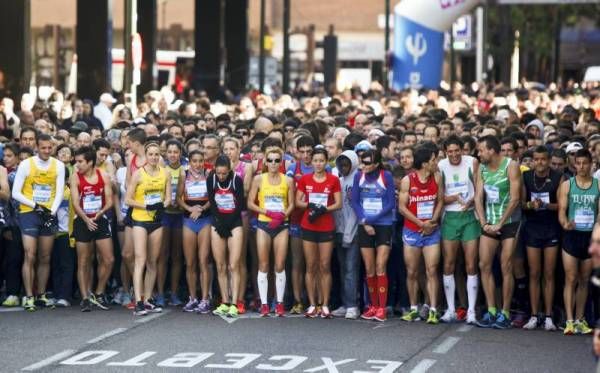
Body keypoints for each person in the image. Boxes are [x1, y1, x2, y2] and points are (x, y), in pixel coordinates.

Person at [12, 133, 65, 311]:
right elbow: (15, 193)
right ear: (37, 147)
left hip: (48, 213)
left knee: (45, 256)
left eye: (50, 148)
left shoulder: (58, 165)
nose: (47, 151)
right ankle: (28, 296)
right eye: (43, 148)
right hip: (29, 212)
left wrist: (52, 211)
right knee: (30, 254)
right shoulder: (26, 164)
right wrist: (36, 206)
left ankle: (41, 294)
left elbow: (59, 192)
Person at [474, 135, 522, 329]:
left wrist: (500, 223)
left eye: (481, 150)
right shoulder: (482, 169)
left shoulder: (511, 166)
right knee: (484, 264)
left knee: (506, 265)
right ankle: (492, 310)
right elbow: (478, 198)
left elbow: (515, 198)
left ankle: (506, 313)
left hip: (509, 222)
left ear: (492, 150)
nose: (478, 154)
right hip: (490, 223)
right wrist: (485, 223)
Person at [399, 146, 444, 324]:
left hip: (431, 231)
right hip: (412, 231)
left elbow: (440, 201)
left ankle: (433, 309)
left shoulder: (437, 177)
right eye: (434, 160)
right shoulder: (407, 180)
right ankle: (413, 308)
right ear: (425, 163)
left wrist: (432, 222)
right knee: (412, 272)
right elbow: (402, 207)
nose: (436, 163)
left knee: (432, 270)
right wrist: (420, 224)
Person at [248, 147, 295, 317]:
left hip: (281, 225)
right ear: (265, 162)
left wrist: (282, 215)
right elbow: (250, 203)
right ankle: (265, 304)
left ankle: (280, 303)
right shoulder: (259, 179)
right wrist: (267, 213)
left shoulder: (288, 181)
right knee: (263, 264)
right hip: (264, 224)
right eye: (271, 160)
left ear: (281, 162)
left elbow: (292, 204)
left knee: (280, 264)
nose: (274, 163)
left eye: (277, 160)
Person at [125, 142, 171, 316]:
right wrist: (147, 206)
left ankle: (148, 299)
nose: (154, 157)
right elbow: (128, 200)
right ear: (146, 155)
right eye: (151, 154)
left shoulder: (165, 173)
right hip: (140, 220)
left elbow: (168, 198)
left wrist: (161, 205)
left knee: (153, 261)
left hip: (157, 220)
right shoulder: (138, 174)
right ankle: (138, 301)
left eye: (157, 154)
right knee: (140, 259)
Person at [438, 136, 480, 324]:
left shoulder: (472, 162)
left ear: (463, 150)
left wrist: (472, 200)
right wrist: (455, 197)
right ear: (446, 152)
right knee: (449, 264)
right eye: (450, 151)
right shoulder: (441, 166)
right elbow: (439, 198)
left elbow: (480, 190)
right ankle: (451, 309)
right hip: (450, 218)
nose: (454, 155)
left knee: (471, 264)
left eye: (457, 150)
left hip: (470, 217)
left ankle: (471, 310)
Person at [295, 148, 342, 318]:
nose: (318, 164)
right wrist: (310, 205)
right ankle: (312, 304)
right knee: (311, 266)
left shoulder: (333, 180)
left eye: (321, 160)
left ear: (326, 162)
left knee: (324, 266)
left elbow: (338, 203)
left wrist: (324, 209)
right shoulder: (305, 179)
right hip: (308, 225)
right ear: (312, 162)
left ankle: (325, 303)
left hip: (326, 226)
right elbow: (297, 201)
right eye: (315, 160)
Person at [351, 149, 396, 322]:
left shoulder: (386, 176)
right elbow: (355, 201)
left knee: (380, 266)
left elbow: (391, 203)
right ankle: (373, 306)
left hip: (383, 224)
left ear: (376, 164)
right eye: (362, 162)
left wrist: (372, 220)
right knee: (369, 268)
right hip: (364, 224)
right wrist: (364, 221)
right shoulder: (358, 176)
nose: (363, 166)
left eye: (367, 163)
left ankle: (382, 308)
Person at [521, 146, 562, 331]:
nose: (539, 163)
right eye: (536, 159)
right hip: (532, 228)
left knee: (549, 274)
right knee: (534, 273)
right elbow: (521, 203)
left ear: (548, 159)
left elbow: (562, 205)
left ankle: (548, 316)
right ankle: (533, 315)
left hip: (551, 228)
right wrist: (531, 204)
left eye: (543, 159)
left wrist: (546, 205)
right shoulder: (526, 177)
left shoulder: (557, 176)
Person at [558, 148, 597, 335]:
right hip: (572, 235)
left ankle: (580, 319)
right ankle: (569, 320)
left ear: (591, 164)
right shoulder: (567, 185)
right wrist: (565, 223)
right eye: (578, 163)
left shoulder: (598, 185)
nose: (581, 167)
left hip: (590, 236)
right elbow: (561, 210)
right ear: (574, 165)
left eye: (584, 163)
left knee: (584, 280)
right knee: (571, 278)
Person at [70, 146, 114, 312]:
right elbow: (75, 202)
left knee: (109, 259)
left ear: (89, 162)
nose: (78, 164)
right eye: (77, 161)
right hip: (82, 220)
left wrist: (100, 213)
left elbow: (109, 200)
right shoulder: (75, 177)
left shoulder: (103, 175)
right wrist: (86, 220)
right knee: (84, 260)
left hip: (99, 219)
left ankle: (99, 291)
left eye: (80, 161)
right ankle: (85, 298)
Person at [207, 155, 245, 318]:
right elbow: (212, 202)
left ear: (229, 170)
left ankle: (235, 303)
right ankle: (224, 301)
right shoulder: (211, 179)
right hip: (218, 222)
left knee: (233, 265)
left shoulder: (236, 180)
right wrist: (219, 223)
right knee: (220, 265)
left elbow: (240, 204)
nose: (221, 176)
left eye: (224, 173)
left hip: (234, 222)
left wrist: (229, 224)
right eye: (219, 173)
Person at [177, 150, 212, 314]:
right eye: (195, 161)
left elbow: (213, 197)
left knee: (203, 260)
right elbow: (178, 198)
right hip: (188, 220)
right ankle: (192, 298)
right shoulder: (184, 175)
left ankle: (205, 299)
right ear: (189, 162)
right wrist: (190, 208)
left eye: (200, 161)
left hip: (205, 219)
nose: (198, 164)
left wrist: (201, 209)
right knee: (190, 262)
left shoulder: (208, 174)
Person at [223, 137, 253, 314]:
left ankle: (239, 299)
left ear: (238, 149)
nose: (228, 152)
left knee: (239, 259)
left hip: (241, 216)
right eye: (225, 149)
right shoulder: (219, 168)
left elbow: (245, 191)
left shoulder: (246, 167)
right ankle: (227, 297)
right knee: (226, 260)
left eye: (231, 149)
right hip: (222, 216)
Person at [331, 150, 361, 319]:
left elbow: (356, 208)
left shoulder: (358, 179)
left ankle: (353, 305)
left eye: (346, 164)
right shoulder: (339, 181)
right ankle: (345, 303)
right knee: (343, 268)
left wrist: (349, 231)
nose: (343, 167)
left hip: (354, 231)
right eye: (340, 164)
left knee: (351, 268)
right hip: (339, 230)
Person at [157, 139, 184, 307]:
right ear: (166, 153)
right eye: (170, 152)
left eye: (176, 152)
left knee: (176, 256)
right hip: (165, 215)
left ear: (180, 153)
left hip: (180, 215)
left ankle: (173, 293)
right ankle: (160, 293)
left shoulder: (185, 170)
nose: (173, 155)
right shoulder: (162, 170)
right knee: (162, 255)